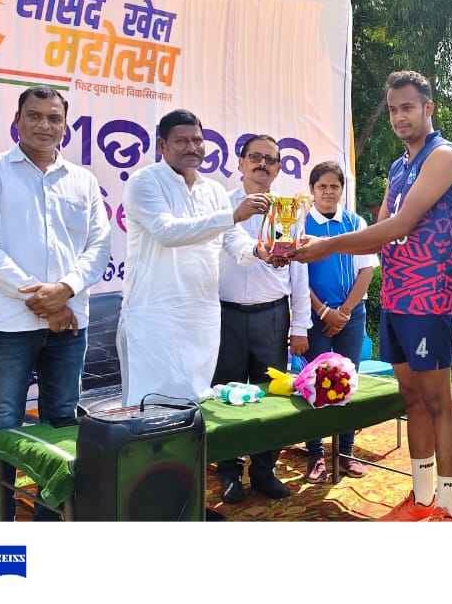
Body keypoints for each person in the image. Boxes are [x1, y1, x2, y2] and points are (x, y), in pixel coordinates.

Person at [294, 70, 452, 521]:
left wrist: (327, 245)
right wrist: (302, 250)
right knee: (412, 398)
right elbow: (378, 233)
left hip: (429, 298)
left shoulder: (443, 156)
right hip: (395, 296)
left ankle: (448, 507)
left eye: (407, 107)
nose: (399, 117)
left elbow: (400, 225)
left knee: (438, 400)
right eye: (392, 109)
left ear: (428, 108)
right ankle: (423, 498)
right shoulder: (398, 167)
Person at [0, 86, 111, 521]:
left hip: (69, 321)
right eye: (34, 115)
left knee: (62, 420)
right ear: (17, 120)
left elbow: (99, 245)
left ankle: (50, 517)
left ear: (66, 125)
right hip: (6, 323)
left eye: (54, 117)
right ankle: (2, 521)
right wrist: (42, 297)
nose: (44, 125)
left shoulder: (82, 180)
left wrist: (66, 288)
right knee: (3, 421)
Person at [117, 109, 266, 406]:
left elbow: (232, 239)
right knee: (149, 407)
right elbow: (167, 232)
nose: (192, 147)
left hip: (200, 315)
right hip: (154, 316)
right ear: (163, 146)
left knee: (193, 406)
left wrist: (260, 251)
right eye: (181, 141)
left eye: (197, 140)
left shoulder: (213, 190)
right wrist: (233, 215)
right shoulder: (144, 182)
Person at [213, 134, 312, 502]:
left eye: (271, 160)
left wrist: (299, 326)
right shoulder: (221, 205)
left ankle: (264, 470)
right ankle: (228, 472)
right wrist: (259, 250)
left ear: (279, 168)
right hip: (225, 315)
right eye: (255, 157)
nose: (262, 164)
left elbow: (299, 272)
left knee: (272, 394)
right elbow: (227, 245)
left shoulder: (290, 209)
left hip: (272, 315)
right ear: (240, 163)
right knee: (225, 394)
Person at [301, 160, 378, 483]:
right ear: (312, 190)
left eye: (334, 186)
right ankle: (316, 455)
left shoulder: (355, 222)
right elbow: (296, 277)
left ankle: (345, 452)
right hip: (313, 315)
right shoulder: (301, 223)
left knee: (347, 382)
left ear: (342, 190)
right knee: (314, 383)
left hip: (351, 314)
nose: (328, 192)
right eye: (322, 186)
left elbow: (367, 269)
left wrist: (344, 311)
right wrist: (323, 311)